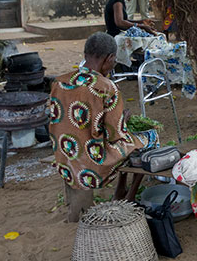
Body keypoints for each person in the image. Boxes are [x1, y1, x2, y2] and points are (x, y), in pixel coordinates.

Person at [49, 32, 142, 221]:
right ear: (109, 58)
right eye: (114, 60)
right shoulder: (106, 87)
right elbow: (115, 133)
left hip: (64, 156)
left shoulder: (60, 82)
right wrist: (123, 118)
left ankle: (121, 191)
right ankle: (129, 194)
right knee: (143, 142)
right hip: (91, 163)